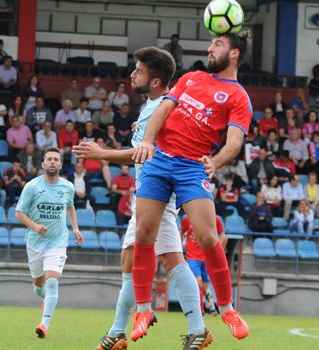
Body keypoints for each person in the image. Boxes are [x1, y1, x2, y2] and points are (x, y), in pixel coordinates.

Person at [73, 46, 219, 349]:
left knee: (169, 260)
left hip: (157, 193)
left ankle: (193, 328)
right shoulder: (154, 106)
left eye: (138, 70)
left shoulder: (160, 107)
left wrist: (103, 154)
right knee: (134, 260)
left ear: (155, 80)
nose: (131, 75)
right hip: (150, 192)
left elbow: (142, 155)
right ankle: (122, 329)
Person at [129, 32, 252, 343]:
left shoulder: (238, 96)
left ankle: (227, 308)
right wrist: (147, 140)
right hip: (160, 160)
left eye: (218, 45)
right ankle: (143, 309)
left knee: (208, 236)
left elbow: (235, 142)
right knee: (144, 233)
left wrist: (216, 161)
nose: (210, 49)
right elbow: (162, 111)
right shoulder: (191, 77)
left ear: (234, 53)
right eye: (211, 44)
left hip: (192, 166)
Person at [15, 147, 82, 339]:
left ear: (60, 164)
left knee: (52, 282)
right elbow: (19, 213)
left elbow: (70, 207)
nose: (52, 162)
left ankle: (44, 325)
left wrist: (75, 228)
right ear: (43, 164)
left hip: (58, 242)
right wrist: (35, 226)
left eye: (56, 159)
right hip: (35, 243)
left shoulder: (67, 187)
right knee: (39, 285)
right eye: (49, 159)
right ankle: (44, 299)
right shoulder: (32, 186)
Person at [181, 215, 226, 315]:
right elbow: (181, 232)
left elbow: (223, 235)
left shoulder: (215, 219)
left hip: (206, 258)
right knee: (198, 284)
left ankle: (209, 302)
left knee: (204, 286)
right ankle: (201, 311)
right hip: (192, 258)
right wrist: (180, 250)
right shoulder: (187, 219)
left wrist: (217, 249)